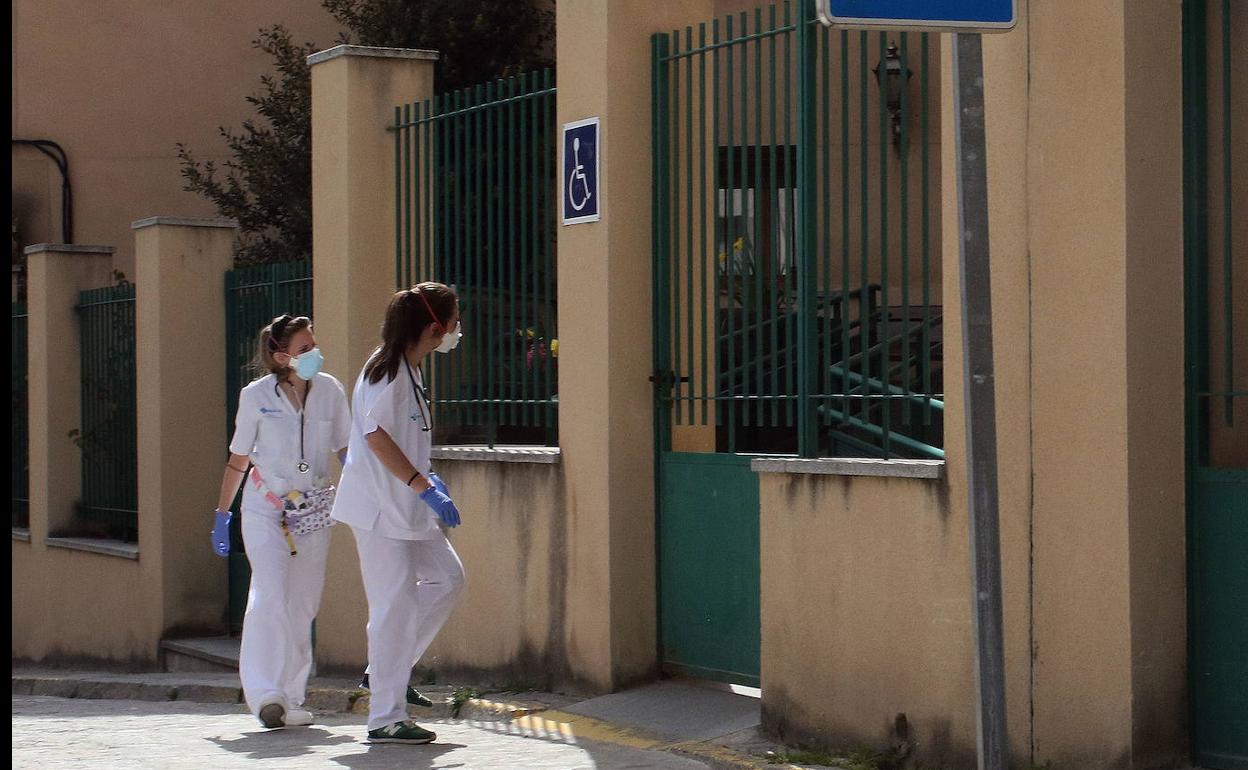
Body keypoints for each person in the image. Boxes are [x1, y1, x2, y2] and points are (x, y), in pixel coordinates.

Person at [331, 283, 466, 745]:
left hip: (406, 506)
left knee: (448, 579)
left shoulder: (411, 369)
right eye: (454, 322)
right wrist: (423, 486)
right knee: (394, 608)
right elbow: (375, 436)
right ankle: (385, 717)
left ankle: (387, 669)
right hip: (378, 510)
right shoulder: (385, 371)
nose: (457, 330)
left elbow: (406, 437)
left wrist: (428, 479)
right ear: (434, 327)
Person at [211, 314, 351, 729]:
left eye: (314, 345)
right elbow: (239, 458)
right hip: (265, 508)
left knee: (303, 602)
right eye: (305, 349)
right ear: (280, 357)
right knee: (269, 593)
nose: (314, 354)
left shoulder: (330, 391)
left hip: (312, 511)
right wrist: (223, 514)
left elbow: (346, 451)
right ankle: (265, 694)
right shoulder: (255, 396)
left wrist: (367, 491)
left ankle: (291, 697)